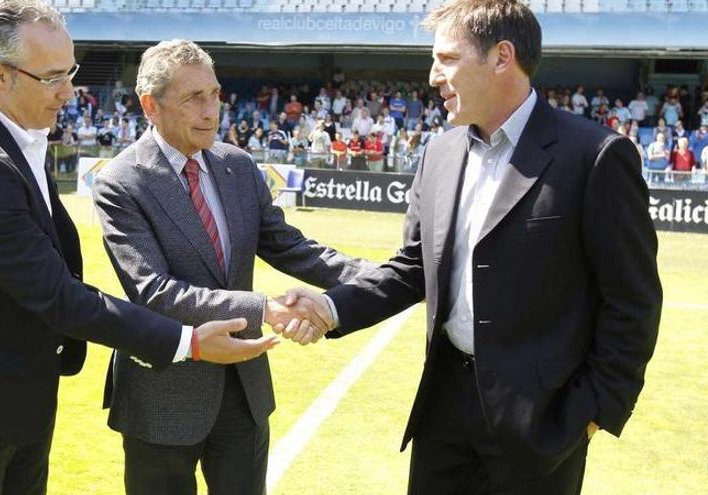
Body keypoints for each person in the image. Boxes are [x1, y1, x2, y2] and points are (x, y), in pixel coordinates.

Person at [284, 2, 662, 493]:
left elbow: (633, 300)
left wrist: (592, 410)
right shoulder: (439, 153)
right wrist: (332, 306)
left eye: (447, 58)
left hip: (542, 419)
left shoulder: (595, 156)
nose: (433, 76)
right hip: (444, 409)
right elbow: (412, 269)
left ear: (502, 57)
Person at [0, 4, 276, 494]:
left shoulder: (17, 137)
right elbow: (59, 295)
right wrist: (189, 342)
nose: (69, 91)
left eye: (71, 71)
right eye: (53, 76)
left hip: (17, 390)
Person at [92, 39, 373, 495]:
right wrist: (264, 308)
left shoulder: (237, 166)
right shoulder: (122, 182)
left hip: (243, 393)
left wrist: (380, 278)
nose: (211, 110)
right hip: (164, 394)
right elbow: (155, 291)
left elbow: (290, 247)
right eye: (193, 98)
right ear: (150, 105)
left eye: (215, 94)